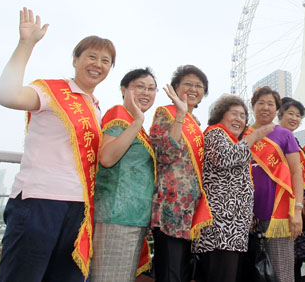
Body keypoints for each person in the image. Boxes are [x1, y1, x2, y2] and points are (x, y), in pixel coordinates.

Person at [0, 8, 116, 281]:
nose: (98, 64)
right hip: (40, 203)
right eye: (91, 56)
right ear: (75, 59)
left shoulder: (95, 109)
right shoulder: (51, 91)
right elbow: (7, 95)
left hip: (78, 211)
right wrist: (26, 45)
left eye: (106, 60)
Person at [194, 95, 274, 282]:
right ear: (221, 115)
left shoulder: (234, 141)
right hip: (220, 228)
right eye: (234, 114)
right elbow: (224, 158)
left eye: (243, 116)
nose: (239, 119)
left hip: (233, 228)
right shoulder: (215, 133)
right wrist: (255, 136)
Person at [91, 68, 158, 281]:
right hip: (115, 215)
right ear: (124, 89)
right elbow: (107, 157)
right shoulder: (119, 114)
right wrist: (137, 122)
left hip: (132, 218)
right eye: (140, 87)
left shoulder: (136, 124)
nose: (146, 93)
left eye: (151, 89)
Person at [149, 65, 211, 282]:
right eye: (188, 84)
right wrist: (180, 116)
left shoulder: (196, 124)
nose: (194, 89)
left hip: (190, 209)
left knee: (183, 272)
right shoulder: (166, 113)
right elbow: (164, 154)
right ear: (176, 88)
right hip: (170, 208)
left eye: (199, 86)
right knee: (170, 271)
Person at [247, 86, 304, 282]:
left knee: (282, 272)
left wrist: (297, 210)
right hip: (246, 216)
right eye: (260, 103)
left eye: (270, 104)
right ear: (252, 106)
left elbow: (297, 172)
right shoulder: (242, 134)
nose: (265, 107)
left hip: (278, 214)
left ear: (277, 110)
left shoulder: (285, 135)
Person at [277, 97, 305, 282]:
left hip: (298, 210)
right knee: (282, 261)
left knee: (296, 260)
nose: (294, 118)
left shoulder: (296, 143)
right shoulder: (272, 141)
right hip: (280, 209)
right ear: (279, 115)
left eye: (298, 115)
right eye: (290, 113)